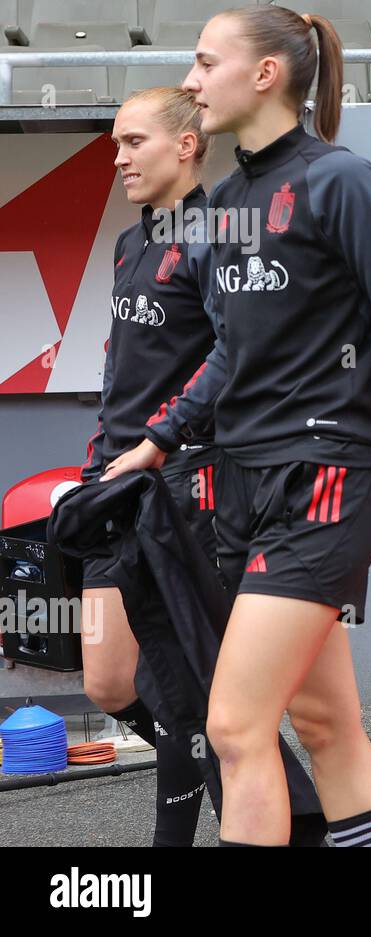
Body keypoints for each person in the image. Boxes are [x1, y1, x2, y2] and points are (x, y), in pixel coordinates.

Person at [104, 5, 371, 847]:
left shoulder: (341, 181)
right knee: (327, 728)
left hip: (323, 483)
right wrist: (156, 440)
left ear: (265, 74)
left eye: (205, 63)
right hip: (245, 488)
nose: (189, 81)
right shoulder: (223, 206)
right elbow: (228, 357)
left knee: (237, 728)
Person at [79, 87, 216, 847]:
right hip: (112, 480)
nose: (120, 157)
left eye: (134, 142)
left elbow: (232, 365)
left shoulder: (215, 239)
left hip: (178, 484)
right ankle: (227, 759)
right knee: (106, 680)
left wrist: (170, 442)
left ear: (186, 145)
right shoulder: (132, 243)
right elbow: (123, 371)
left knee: (180, 687)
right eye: (116, 144)